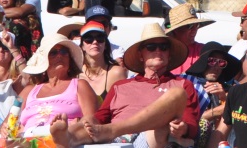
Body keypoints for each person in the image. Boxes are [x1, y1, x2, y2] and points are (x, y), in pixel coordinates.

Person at [56, 24, 196, 148]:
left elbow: (192, 125)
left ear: (169, 54)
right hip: (116, 140)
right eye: (151, 47)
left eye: (163, 47)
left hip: (152, 138)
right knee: (88, 122)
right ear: (141, 55)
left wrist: (183, 128)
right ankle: (68, 138)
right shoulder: (120, 86)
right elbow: (100, 118)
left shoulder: (182, 84)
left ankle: (112, 130)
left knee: (176, 95)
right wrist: (83, 124)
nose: (158, 51)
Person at [18, 38, 95, 145]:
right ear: (43, 61)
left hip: (66, 139)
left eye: (64, 52)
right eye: (53, 53)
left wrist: (78, 125)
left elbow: (92, 120)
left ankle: (60, 135)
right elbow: (7, 123)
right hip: (27, 139)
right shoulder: (29, 91)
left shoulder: (79, 85)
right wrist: (6, 128)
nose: (60, 56)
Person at [183, 44, 240, 131]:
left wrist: (223, 97)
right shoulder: (187, 84)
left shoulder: (232, 89)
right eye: (212, 61)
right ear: (202, 62)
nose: (216, 67)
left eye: (221, 63)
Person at [74, 22, 123, 99]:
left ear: (106, 45)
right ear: (82, 46)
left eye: (100, 38)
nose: (95, 42)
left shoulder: (116, 73)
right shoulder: (74, 74)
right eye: (88, 39)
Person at [166, 5, 207, 75]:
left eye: (196, 25)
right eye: (190, 26)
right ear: (176, 30)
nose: (194, 30)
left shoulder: (204, 51)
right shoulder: (163, 51)